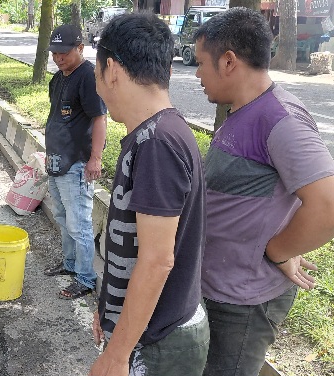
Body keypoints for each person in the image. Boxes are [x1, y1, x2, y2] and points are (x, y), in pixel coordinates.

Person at [195, 8, 334, 375]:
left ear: (228, 62)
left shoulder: (280, 119)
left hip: (242, 303)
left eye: (200, 64)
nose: (196, 75)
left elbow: (327, 207)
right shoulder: (241, 111)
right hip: (215, 286)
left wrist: (277, 251)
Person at [90, 13, 209, 375]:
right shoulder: (155, 133)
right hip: (147, 331)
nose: (97, 85)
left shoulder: (157, 143)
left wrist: (116, 354)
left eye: (96, 73)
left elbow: (158, 261)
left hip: (159, 342)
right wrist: (107, 309)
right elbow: (131, 243)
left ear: (111, 69)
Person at [40, 24, 107, 301]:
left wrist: (95, 158)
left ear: (80, 48)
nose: (58, 58)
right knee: (62, 217)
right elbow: (56, 118)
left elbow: (99, 118)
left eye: (64, 53)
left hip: (77, 164)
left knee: (79, 223)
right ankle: (69, 264)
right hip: (56, 161)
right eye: (54, 53)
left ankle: (85, 278)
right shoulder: (58, 79)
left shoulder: (88, 77)